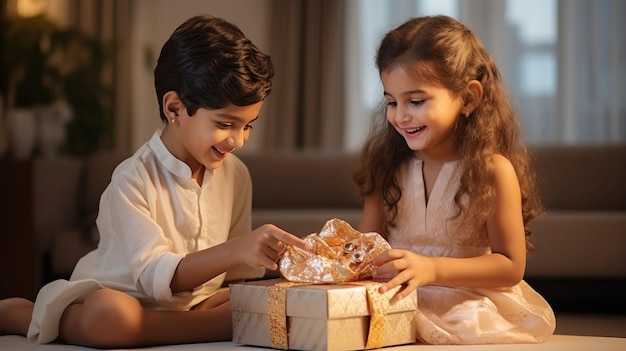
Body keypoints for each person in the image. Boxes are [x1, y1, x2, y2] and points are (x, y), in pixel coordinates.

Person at [0, 14, 310, 348]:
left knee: (270, 297)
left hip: (197, 304)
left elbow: (236, 280)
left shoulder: (236, 175)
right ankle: (23, 313)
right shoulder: (132, 179)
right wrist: (238, 249)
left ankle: (204, 324)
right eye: (225, 124)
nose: (237, 141)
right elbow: (154, 278)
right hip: (128, 299)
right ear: (175, 108)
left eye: (247, 126)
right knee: (112, 316)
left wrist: (278, 261)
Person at [353, 15, 556, 344]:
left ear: (468, 98)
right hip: (401, 301)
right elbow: (364, 249)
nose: (401, 115)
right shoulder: (386, 167)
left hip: (470, 306)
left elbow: (510, 267)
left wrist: (432, 269)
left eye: (416, 101)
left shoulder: (493, 170)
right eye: (391, 101)